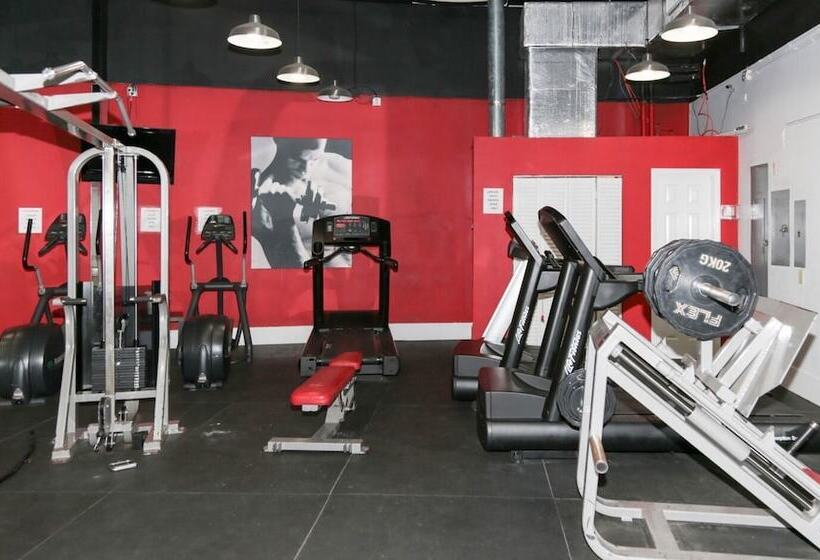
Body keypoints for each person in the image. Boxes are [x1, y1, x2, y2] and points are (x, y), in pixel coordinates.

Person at [250, 138, 351, 268]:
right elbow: (293, 269)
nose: (306, 171)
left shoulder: (341, 168)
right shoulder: (262, 199)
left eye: (315, 159)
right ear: (279, 141)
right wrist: (285, 220)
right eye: (296, 160)